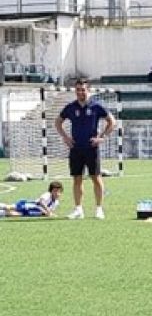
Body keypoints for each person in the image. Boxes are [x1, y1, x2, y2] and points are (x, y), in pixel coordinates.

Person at [55, 78, 116, 220]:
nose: (80, 92)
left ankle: (99, 209)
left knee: (96, 178)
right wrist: (65, 137)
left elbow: (112, 122)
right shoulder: (71, 107)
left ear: (88, 90)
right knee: (77, 179)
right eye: (78, 90)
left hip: (91, 148)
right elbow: (58, 122)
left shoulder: (96, 106)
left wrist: (102, 137)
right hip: (76, 148)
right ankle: (78, 210)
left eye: (83, 89)